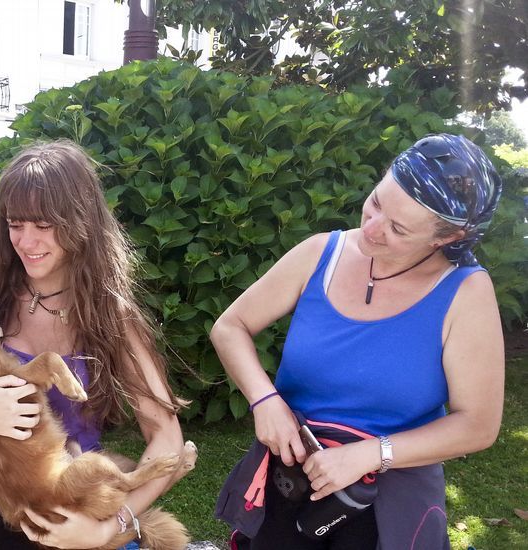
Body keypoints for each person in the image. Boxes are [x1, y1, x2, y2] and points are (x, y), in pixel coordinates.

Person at [0, 140, 192, 549]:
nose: (27, 241)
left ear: (80, 220)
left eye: (44, 224)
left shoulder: (111, 318)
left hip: (70, 519)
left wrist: (110, 527)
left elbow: (166, 436)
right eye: (16, 224)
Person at [211, 134, 505, 549]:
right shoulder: (321, 253)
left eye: (398, 228)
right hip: (291, 478)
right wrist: (264, 401)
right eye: (377, 202)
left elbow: (477, 426)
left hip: (388, 503)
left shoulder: (465, 292)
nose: (371, 228)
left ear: (448, 237)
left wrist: (370, 454)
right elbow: (230, 326)